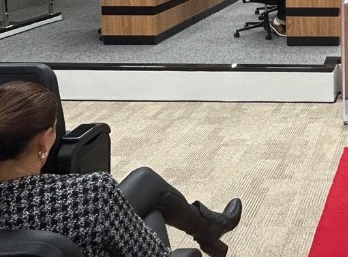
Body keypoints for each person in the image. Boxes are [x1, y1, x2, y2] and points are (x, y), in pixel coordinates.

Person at [0, 80, 243, 257]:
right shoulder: (90, 194)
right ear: (43, 142)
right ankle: (209, 231)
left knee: (144, 180)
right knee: (151, 211)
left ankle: (210, 230)